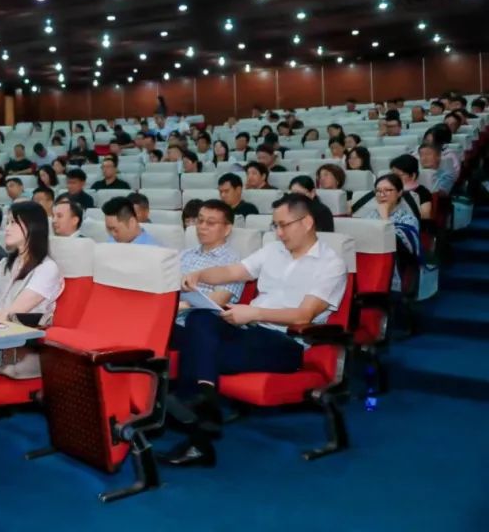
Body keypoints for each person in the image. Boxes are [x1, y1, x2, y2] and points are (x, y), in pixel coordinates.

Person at [164, 194, 347, 467]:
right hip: (251, 329)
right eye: (275, 225)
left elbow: (304, 314)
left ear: (307, 222)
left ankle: (199, 428)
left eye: (283, 225)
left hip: (288, 342)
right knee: (200, 318)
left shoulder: (331, 264)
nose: (279, 232)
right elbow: (233, 272)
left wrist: (255, 312)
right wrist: (200, 275)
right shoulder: (273, 250)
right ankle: (206, 403)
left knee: (200, 351)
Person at [0, 201, 65, 379]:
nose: (7, 228)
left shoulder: (47, 268)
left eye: (13, 222)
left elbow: (10, 314)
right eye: (7, 223)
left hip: (20, 344)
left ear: (32, 227)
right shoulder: (3, 264)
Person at [352, 174, 421, 293]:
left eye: (388, 190)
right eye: (378, 191)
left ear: (399, 192)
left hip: (394, 266)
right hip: (365, 262)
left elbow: (406, 248)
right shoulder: (369, 216)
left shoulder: (408, 219)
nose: (382, 194)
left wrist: (384, 216)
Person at [177, 200, 243, 319]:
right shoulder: (185, 254)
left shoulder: (234, 262)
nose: (202, 227)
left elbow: (220, 299)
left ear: (227, 229)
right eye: (200, 221)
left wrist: (185, 305)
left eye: (211, 223)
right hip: (172, 314)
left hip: (203, 318)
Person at [390, 154, 432, 219]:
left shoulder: (422, 192)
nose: (394, 178)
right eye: (392, 175)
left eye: (398, 175)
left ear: (413, 176)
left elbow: (425, 215)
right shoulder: (387, 190)